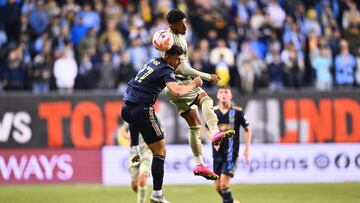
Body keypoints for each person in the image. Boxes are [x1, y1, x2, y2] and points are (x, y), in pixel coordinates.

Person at [121, 45, 202, 203]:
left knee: (135, 119)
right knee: (160, 151)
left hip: (126, 106)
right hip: (142, 109)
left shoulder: (153, 61)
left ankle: (134, 148)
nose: (179, 62)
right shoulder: (166, 69)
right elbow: (176, 91)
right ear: (169, 57)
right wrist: (194, 84)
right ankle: (157, 194)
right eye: (177, 59)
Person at [164, 9, 235, 180]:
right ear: (173, 25)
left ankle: (199, 163)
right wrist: (206, 76)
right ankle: (215, 131)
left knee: (194, 125)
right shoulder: (172, 41)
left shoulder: (174, 36)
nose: (185, 25)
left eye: (186, 21)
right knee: (206, 99)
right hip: (181, 83)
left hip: (172, 86)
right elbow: (183, 68)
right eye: (182, 23)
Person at [210, 85, 252, 203]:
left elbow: (248, 129)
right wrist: (213, 139)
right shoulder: (213, 112)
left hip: (231, 154)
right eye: (221, 92)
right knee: (218, 186)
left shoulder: (237, 112)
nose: (224, 94)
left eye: (226, 92)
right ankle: (232, 201)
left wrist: (247, 149)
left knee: (224, 184)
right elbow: (208, 130)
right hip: (217, 155)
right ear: (218, 95)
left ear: (230, 95)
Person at [117, 122, 152, 203]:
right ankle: (143, 198)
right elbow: (123, 131)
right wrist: (128, 137)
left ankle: (141, 201)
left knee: (142, 178)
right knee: (134, 186)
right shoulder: (130, 116)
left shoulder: (151, 115)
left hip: (146, 151)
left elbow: (161, 131)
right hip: (134, 154)